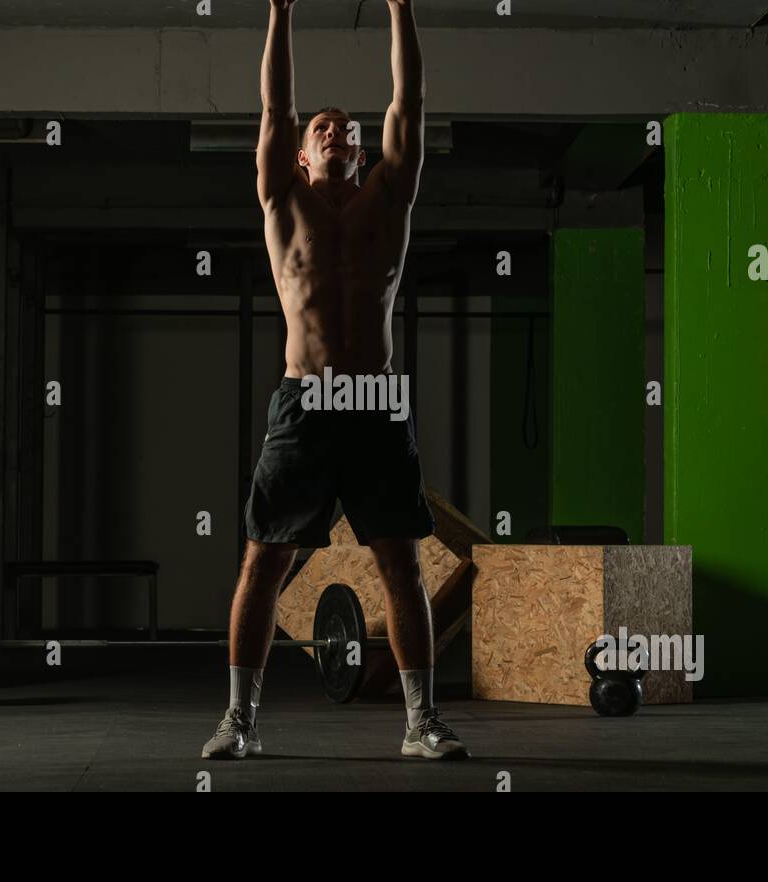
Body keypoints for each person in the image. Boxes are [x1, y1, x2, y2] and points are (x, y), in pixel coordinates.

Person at [201, 0, 468, 761]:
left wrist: (400, 8)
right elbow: (275, 107)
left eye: (348, 128)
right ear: (298, 154)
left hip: (376, 401)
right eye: (323, 127)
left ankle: (421, 723)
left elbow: (409, 101)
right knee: (264, 560)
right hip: (306, 400)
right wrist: (280, 11)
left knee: (400, 562)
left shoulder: (391, 195)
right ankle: (240, 721)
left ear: (362, 149)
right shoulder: (282, 200)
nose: (336, 130)